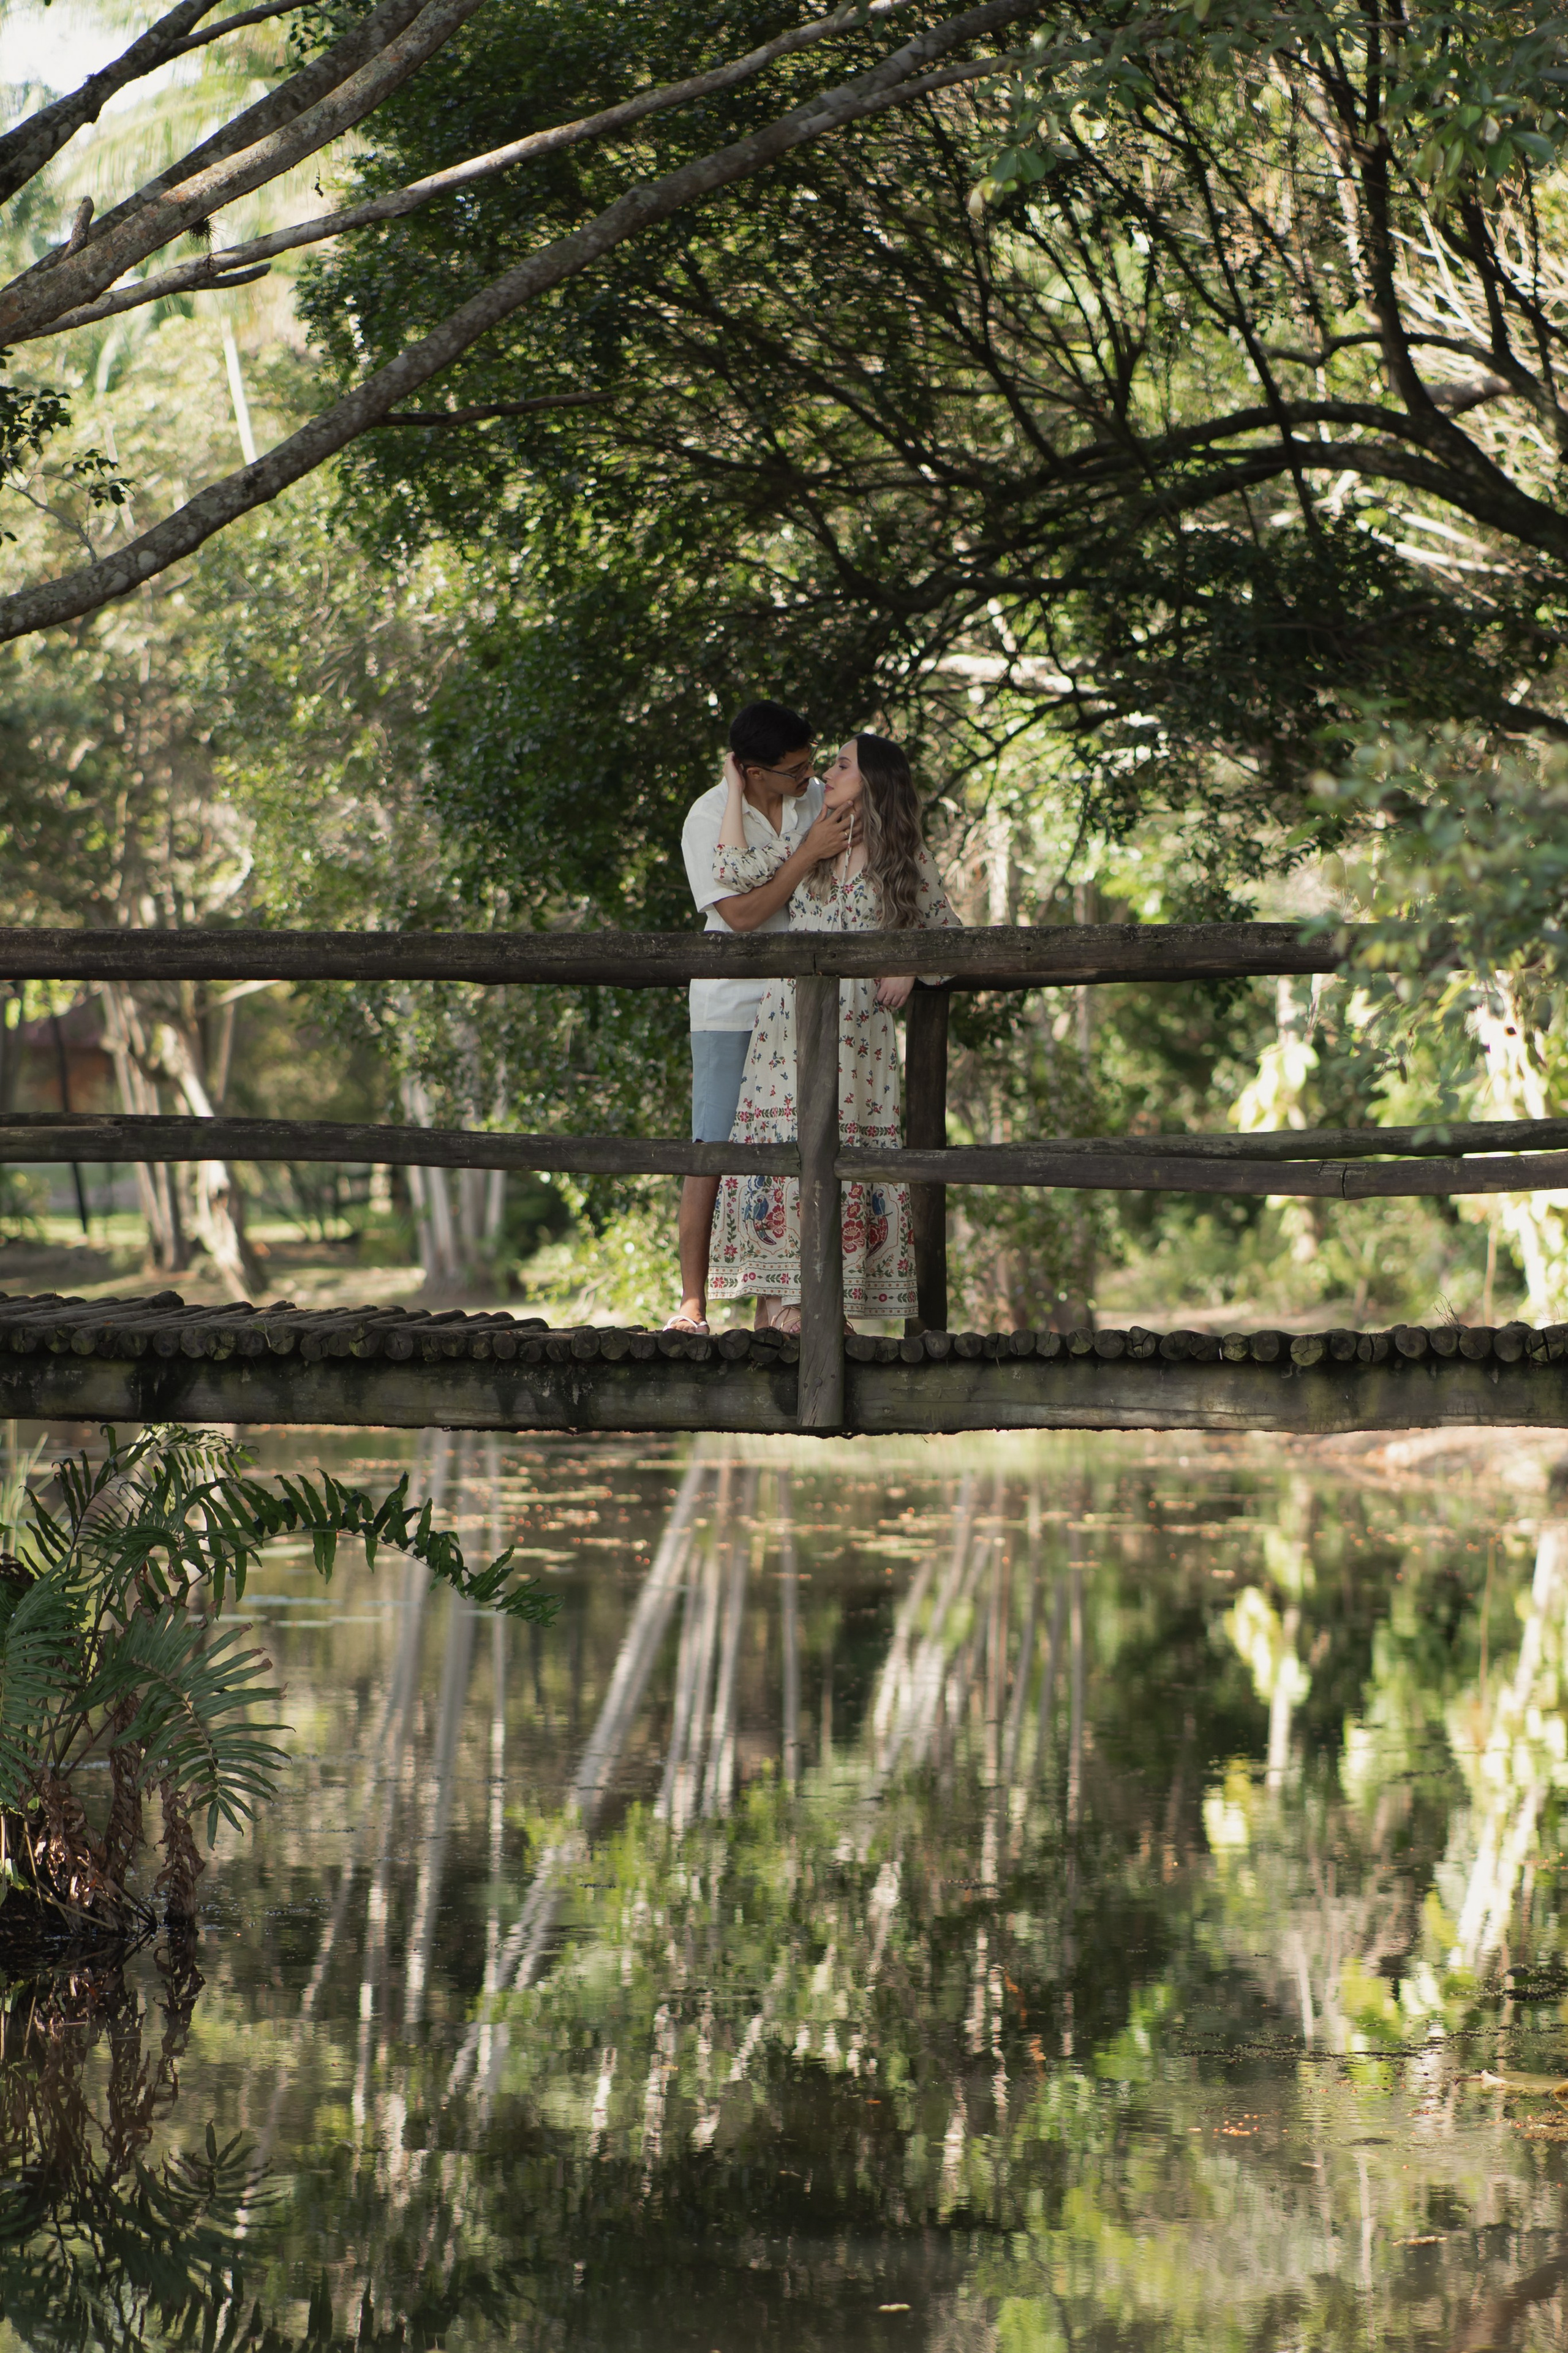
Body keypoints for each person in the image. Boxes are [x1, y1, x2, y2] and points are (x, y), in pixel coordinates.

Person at [706, 732, 960, 1330]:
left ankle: (829, 1310)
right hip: (788, 1026)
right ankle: (780, 1306)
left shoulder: (906, 856)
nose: (828, 773)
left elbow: (952, 938)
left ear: (871, 782)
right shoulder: (810, 838)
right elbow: (731, 873)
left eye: (842, 765)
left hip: (860, 1040)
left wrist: (908, 960)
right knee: (784, 1149)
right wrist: (734, 788)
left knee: (846, 1158)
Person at [669, 701, 855, 1334]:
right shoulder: (707, 818)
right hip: (731, 1001)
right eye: (794, 769)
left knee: (798, 1145)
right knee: (714, 1143)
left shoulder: (814, 798)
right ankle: (692, 1303)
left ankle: (778, 1303)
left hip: (802, 998)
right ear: (752, 772)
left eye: (811, 763)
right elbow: (741, 917)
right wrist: (806, 855)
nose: (808, 776)